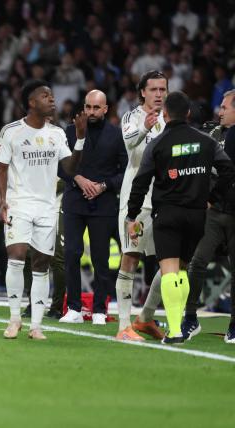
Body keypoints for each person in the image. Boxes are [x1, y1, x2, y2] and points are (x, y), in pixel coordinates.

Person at [126, 91, 235, 344]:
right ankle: (181, 325)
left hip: (168, 214)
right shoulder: (205, 141)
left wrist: (132, 215)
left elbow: (141, 181)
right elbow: (229, 169)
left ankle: (175, 330)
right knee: (183, 269)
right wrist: (213, 197)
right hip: (198, 215)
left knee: (170, 271)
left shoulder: (158, 144)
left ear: (165, 114)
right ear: (188, 113)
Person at [0, 80, 84, 340]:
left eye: (52, 95)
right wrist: (2, 200)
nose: (52, 100)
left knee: (42, 263)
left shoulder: (57, 133)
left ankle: (36, 326)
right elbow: (0, 168)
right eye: (46, 96)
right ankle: (14, 319)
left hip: (47, 206)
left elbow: (69, 170)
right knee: (17, 254)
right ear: (32, 103)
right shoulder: (11, 131)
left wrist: (79, 140)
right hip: (18, 202)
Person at [59, 90, 127, 325]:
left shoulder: (117, 135)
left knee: (101, 258)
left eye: (96, 108)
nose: (91, 112)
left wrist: (105, 185)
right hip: (75, 200)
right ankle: (74, 308)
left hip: (104, 203)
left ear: (106, 109)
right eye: (88, 107)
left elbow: (125, 170)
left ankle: (99, 309)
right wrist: (78, 179)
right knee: (71, 254)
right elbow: (60, 166)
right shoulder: (69, 131)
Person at [115, 70, 168, 341]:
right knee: (130, 258)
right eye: (154, 89)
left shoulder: (170, 120)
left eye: (163, 89)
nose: (159, 94)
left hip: (164, 201)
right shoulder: (131, 117)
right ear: (143, 92)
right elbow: (128, 143)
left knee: (172, 261)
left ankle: (146, 318)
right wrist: (146, 126)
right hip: (136, 202)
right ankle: (124, 326)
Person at [183, 89, 235, 343]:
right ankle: (190, 317)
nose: (220, 111)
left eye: (225, 107)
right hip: (214, 213)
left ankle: (234, 325)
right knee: (198, 262)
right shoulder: (215, 134)